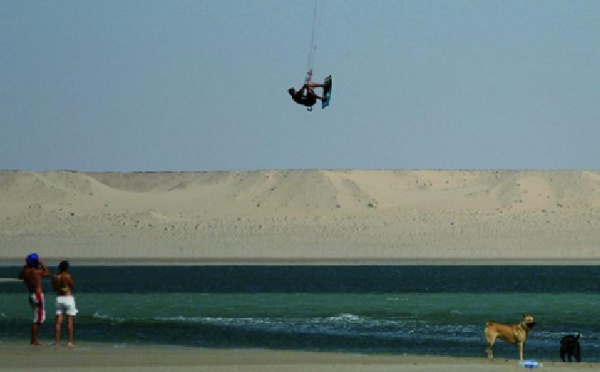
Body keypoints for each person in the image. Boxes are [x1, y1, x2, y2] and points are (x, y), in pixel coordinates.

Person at [18, 253, 50, 345]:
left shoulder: (25, 271)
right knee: (38, 319)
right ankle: (34, 340)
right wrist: (43, 264)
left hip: (31, 294)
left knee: (37, 317)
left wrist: (25, 267)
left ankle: (34, 339)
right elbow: (47, 273)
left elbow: (20, 276)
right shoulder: (37, 271)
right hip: (38, 294)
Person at [52, 260, 78, 347]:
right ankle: (70, 342)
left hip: (59, 298)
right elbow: (72, 285)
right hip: (68, 297)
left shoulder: (55, 277)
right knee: (69, 321)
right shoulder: (67, 276)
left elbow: (54, 288)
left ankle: (57, 342)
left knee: (58, 321)